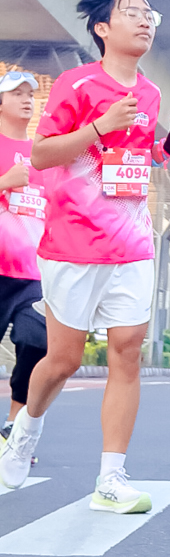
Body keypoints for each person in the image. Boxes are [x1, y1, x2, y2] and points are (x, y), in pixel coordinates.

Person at [0, 0, 170, 508]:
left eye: (149, 14)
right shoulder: (77, 83)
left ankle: (111, 478)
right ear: (103, 29)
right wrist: (99, 125)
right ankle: (24, 430)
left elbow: (136, 159)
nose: (145, 21)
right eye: (132, 13)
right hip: (73, 243)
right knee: (62, 360)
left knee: (127, 352)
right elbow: (42, 154)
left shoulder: (150, 93)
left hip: (131, 242)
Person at [0, 71, 49, 437]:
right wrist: (5, 182)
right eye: (17, 93)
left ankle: (14, 427)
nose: (26, 100)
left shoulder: (44, 155)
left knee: (36, 342)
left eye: (30, 94)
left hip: (34, 273)